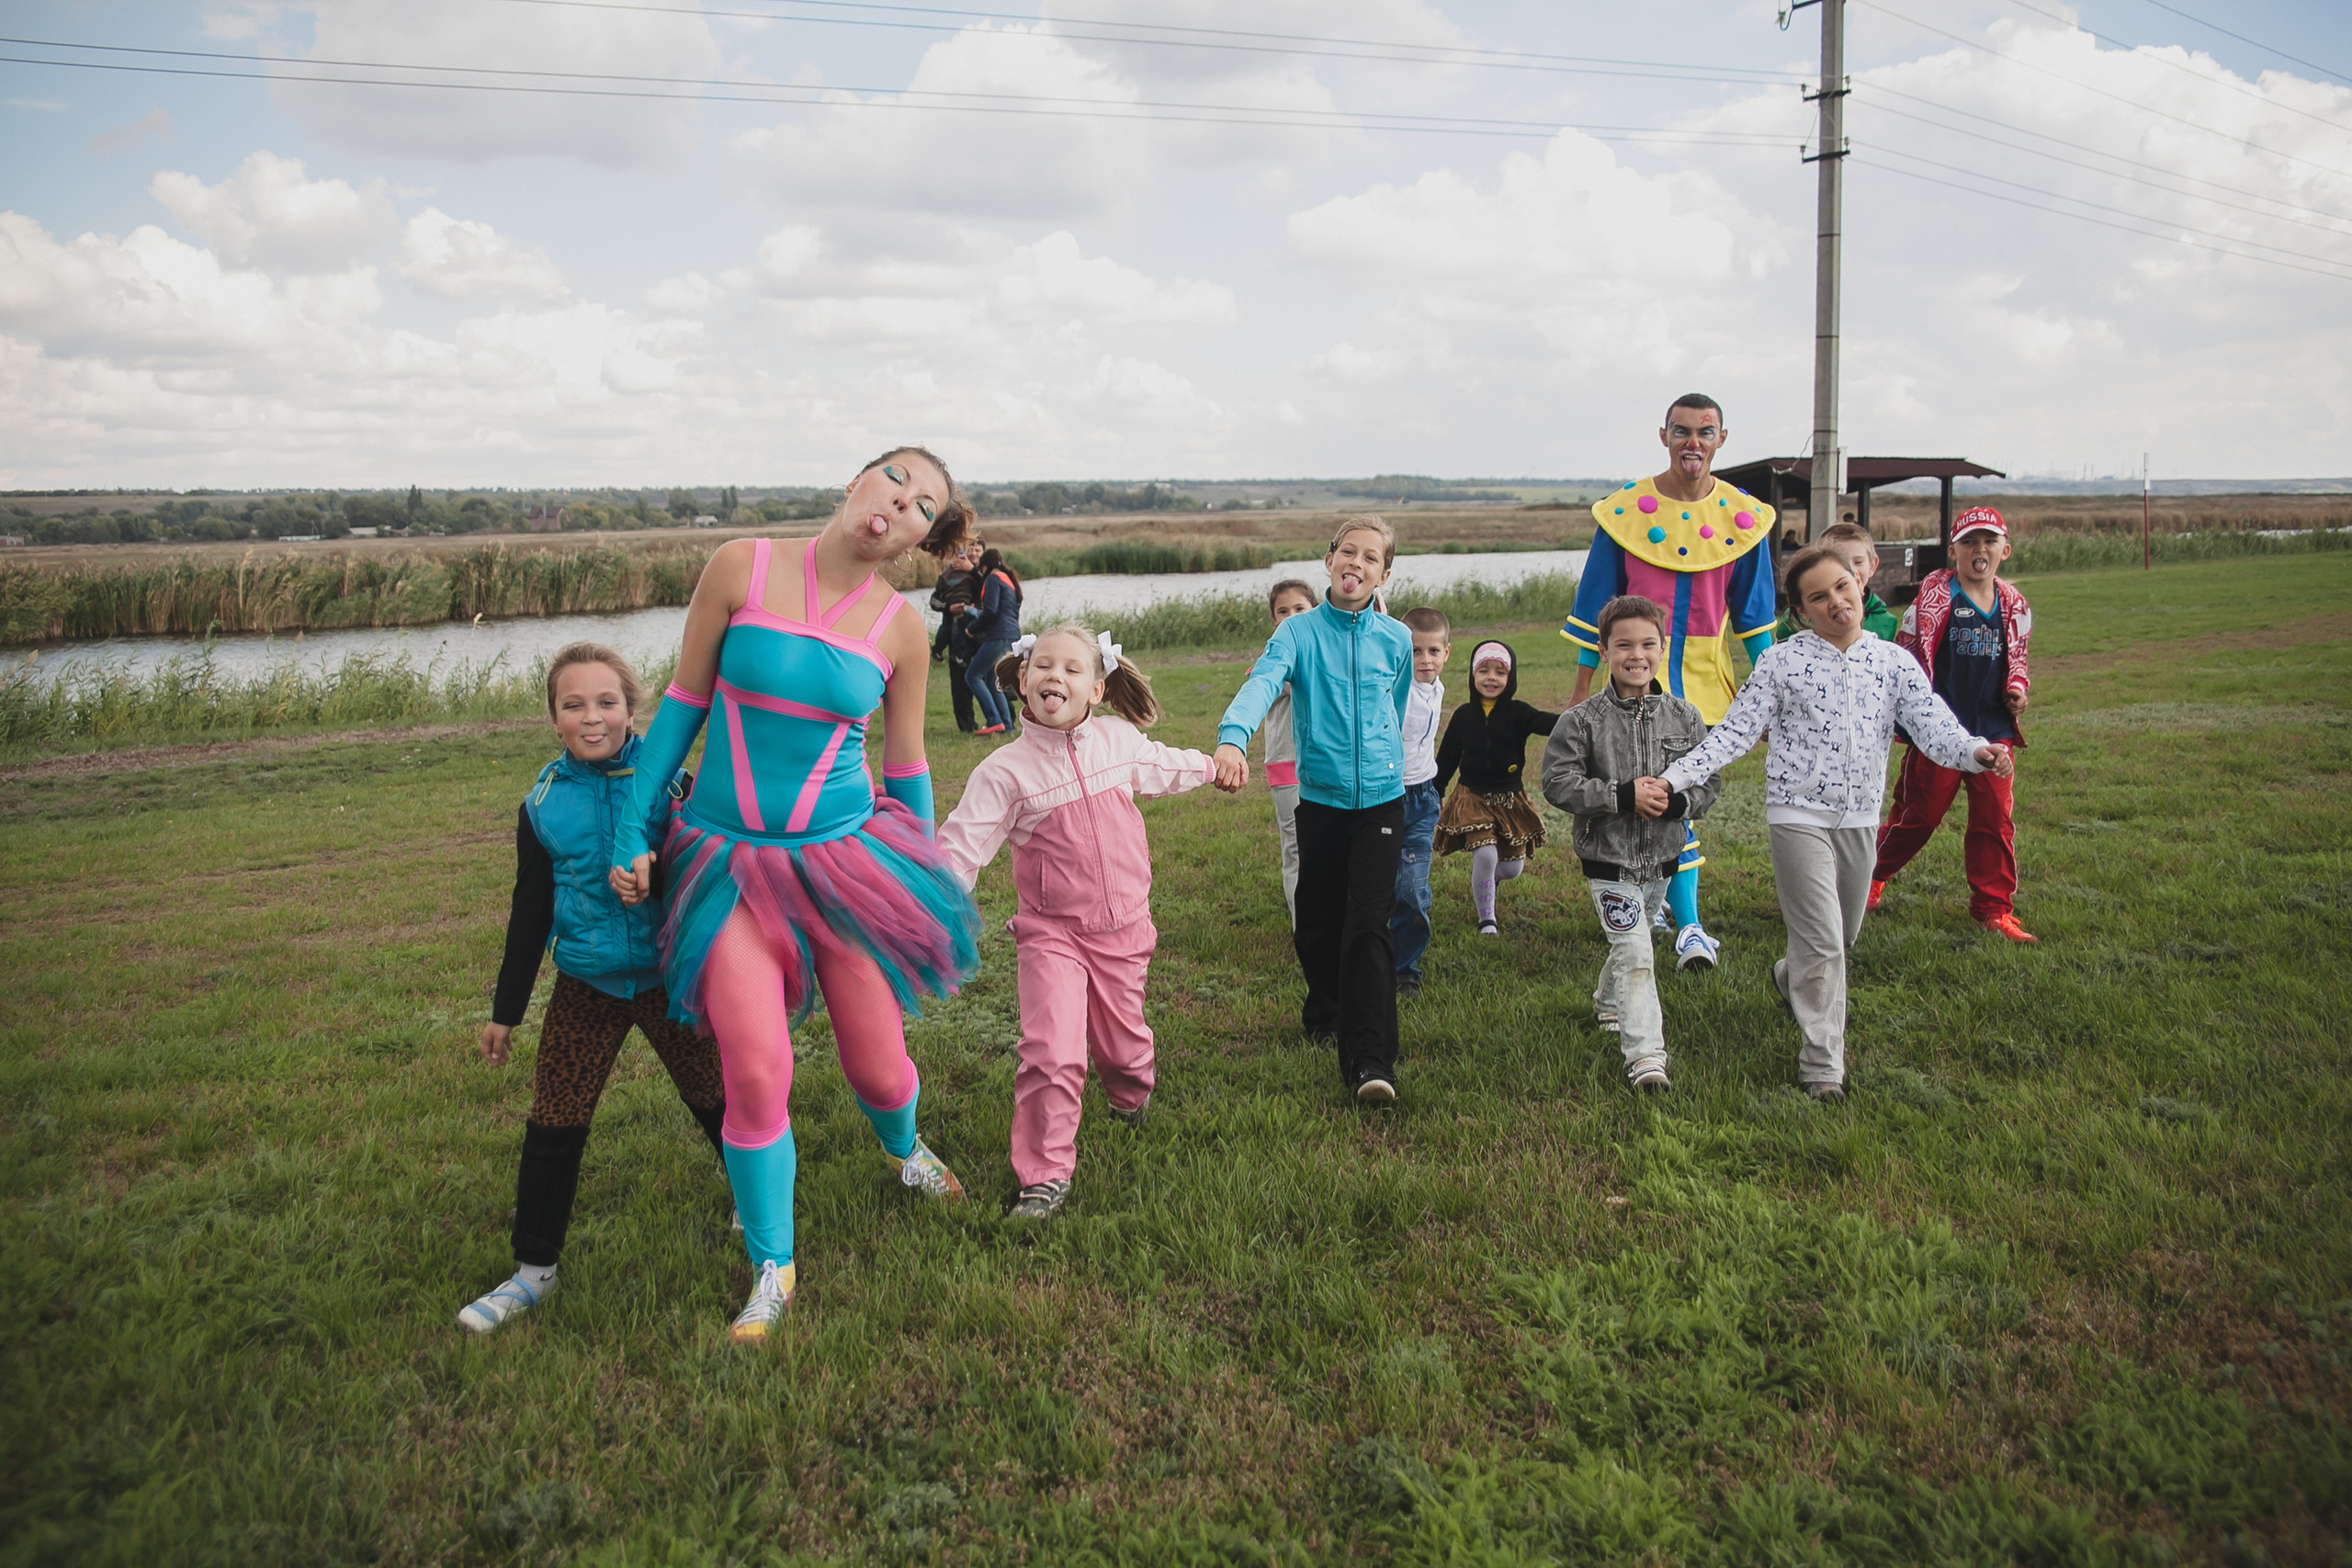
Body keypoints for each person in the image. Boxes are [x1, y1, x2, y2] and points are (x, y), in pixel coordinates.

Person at [609, 447, 982, 1342]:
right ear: (856, 482)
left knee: (878, 1069)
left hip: (843, 860)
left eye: (924, 504)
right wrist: (630, 828)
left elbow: (906, 764)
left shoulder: (897, 630)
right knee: (755, 1068)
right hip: (724, 861)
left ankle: (904, 1148)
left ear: (920, 538)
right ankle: (773, 1265)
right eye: (895, 479)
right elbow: (682, 704)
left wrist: (919, 876)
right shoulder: (741, 565)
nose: (901, 502)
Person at [1656, 547, 2014, 1101]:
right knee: (1822, 943)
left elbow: (1933, 725)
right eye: (1818, 597)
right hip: (1797, 815)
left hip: (1860, 818)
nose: (1836, 603)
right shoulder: (1779, 662)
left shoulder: (1891, 661)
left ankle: (1786, 977)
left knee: (1839, 937)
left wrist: (1976, 752)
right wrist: (1674, 779)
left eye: (1842, 587)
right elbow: (1733, 733)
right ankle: (1823, 1067)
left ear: (1860, 586)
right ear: (1800, 612)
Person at [457, 643, 732, 1335]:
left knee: (718, 1100)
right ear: (553, 718)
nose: (592, 717)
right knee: (555, 1117)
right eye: (573, 704)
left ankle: (758, 1203)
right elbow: (529, 910)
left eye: (606, 701)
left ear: (632, 708)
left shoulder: (672, 781)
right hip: (587, 983)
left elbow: (709, 876)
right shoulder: (543, 805)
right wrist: (506, 1011)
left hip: (670, 977)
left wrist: (656, 878)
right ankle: (532, 1272)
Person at [936, 626, 1216, 1219]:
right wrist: (927, 905)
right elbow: (962, 847)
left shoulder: (1118, 739)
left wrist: (1214, 766)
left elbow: (1166, 764)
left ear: (1095, 687)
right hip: (1050, 932)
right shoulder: (1004, 772)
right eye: (1042, 666)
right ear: (1020, 678)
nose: (1053, 677)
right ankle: (1044, 1175)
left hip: (1123, 926)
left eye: (1069, 669)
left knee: (1124, 1048)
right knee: (1052, 1051)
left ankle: (1129, 1098)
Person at [1561, 394, 1777, 973]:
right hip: (1628, 685)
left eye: (1705, 432)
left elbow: (1756, 622)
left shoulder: (1745, 520)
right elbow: (1593, 614)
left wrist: (1776, 695)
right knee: (1637, 796)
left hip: (1704, 687)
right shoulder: (1625, 513)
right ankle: (1662, 911)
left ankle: (1687, 925)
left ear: (1721, 439)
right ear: (1664, 436)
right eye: (1682, 431)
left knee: (1673, 800)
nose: (1693, 442)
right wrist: (1581, 691)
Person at [1214, 516, 1415, 1104]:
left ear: (1383, 573)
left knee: (1368, 927)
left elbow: (1394, 706)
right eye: (1347, 551)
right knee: (1318, 925)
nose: (1357, 562)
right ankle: (1327, 1008)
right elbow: (1262, 682)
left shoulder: (1396, 639)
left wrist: (1384, 765)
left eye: (1371, 556)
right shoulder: (1298, 634)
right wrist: (1233, 736)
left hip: (1381, 799)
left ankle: (1371, 1061)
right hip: (1320, 801)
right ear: (1329, 561)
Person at [1540, 598, 1722, 1095]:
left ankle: (1606, 1001)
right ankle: (1646, 1058)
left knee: (1633, 936)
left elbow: (1709, 782)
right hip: (1608, 861)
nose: (1635, 655)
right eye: (1623, 645)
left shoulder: (1685, 718)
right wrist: (1620, 796)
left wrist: (1677, 804)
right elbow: (1557, 782)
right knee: (1637, 950)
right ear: (1604, 650)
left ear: (1663, 649)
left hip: (1663, 858)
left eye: (1647, 644)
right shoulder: (1581, 720)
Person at [1870, 507, 2037, 942]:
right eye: (1969, 542)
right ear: (1953, 551)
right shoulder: (1934, 596)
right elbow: (1906, 656)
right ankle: (1869, 876)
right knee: (1919, 817)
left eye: (1989, 541)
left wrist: (2017, 690)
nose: (1979, 549)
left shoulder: (2014, 603)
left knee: (1994, 819)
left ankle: (1993, 910)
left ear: (2005, 550)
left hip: (1992, 728)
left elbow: (2016, 660)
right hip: (1939, 733)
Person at [1432, 640, 1560, 938]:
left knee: (1512, 869)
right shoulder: (1464, 715)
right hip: (1472, 796)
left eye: (1500, 672)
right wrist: (1436, 791)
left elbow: (1549, 724)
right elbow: (1448, 757)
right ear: (1472, 675)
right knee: (1486, 855)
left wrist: (1577, 716)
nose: (1491, 678)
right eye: (1484, 671)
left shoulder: (1518, 713)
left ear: (1510, 678)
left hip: (1510, 798)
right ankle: (1486, 919)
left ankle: (1486, 880)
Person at [1391, 606, 1451, 994]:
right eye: (1415, 651)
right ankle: (1364, 953)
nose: (1424, 660)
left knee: (1413, 889)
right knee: (1380, 886)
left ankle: (1405, 969)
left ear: (1447, 652)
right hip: (1389, 796)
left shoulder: (1438, 687)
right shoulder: (1399, 688)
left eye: (1432, 651)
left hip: (1424, 798)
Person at [1256, 580, 1319, 924]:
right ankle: (1304, 929)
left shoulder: (1325, 648)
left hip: (1324, 765)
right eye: (1283, 611)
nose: (1292, 616)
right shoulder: (1275, 656)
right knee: (1296, 849)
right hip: (1286, 767)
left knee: (1326, 849)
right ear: (1273, 618)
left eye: (1300, 609)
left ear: (1316, 610)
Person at [1773, 521, 1898, 644]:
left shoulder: (1885, 622)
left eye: (1858, 562)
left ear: (1872, 565)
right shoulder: (1797, 618)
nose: (1850, 569)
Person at [963, 547, 1024, 736]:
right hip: (1012, 635)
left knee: (972, 676)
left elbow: (991, 610)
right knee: (992, 680)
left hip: (999, 635)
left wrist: (971, 629)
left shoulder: (992, 578)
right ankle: (1007, 726)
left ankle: (994, 720)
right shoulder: (1009, 580)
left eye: (981, 569)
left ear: (985, 566)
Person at [929, 537, 985, 734]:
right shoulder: (948, 574)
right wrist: (948, 608)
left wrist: (973, 571)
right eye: (970, 550)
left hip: (981, 635)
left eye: (978, 550)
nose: (974, 554)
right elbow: (934, 601)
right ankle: (966, 725)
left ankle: (1002, 720)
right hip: (956, 632)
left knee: (989, 677)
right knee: (959, 682)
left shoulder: (987, 574)